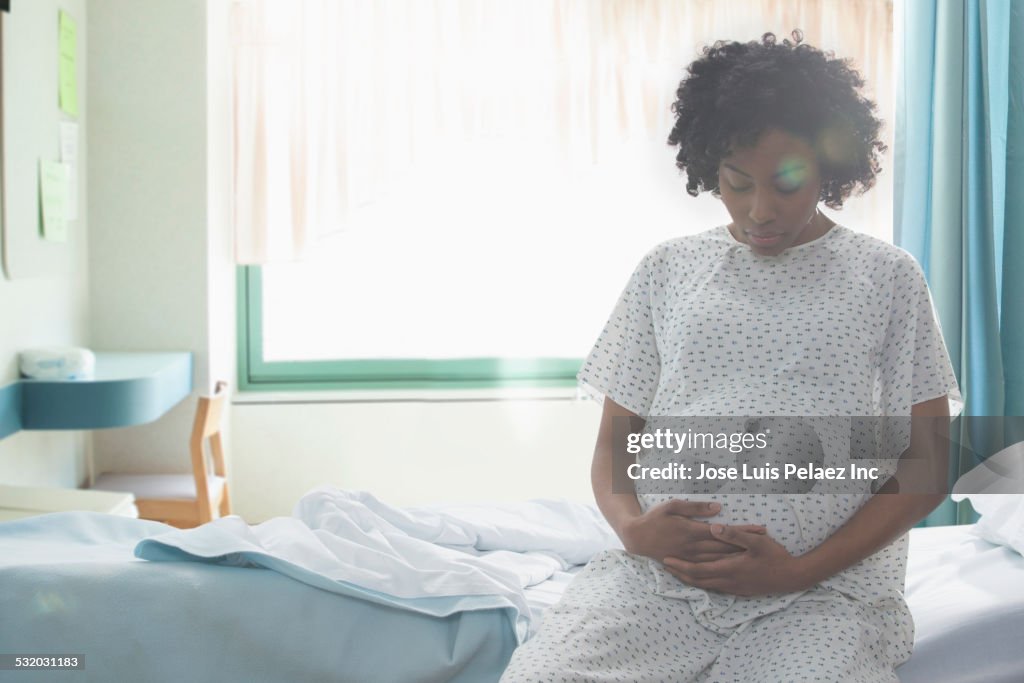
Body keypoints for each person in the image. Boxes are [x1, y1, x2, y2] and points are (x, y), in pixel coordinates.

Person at [500, 30, 962, 682]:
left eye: (786, 183)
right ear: (708, 165)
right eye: (737, 183)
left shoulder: (886, 277)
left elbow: (930, 461)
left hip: (821, 597)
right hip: (657, 587)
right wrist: (632, 529)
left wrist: (798, 568)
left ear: (829, 166)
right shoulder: (668, 270)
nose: (759, 210)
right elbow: (615, 444)